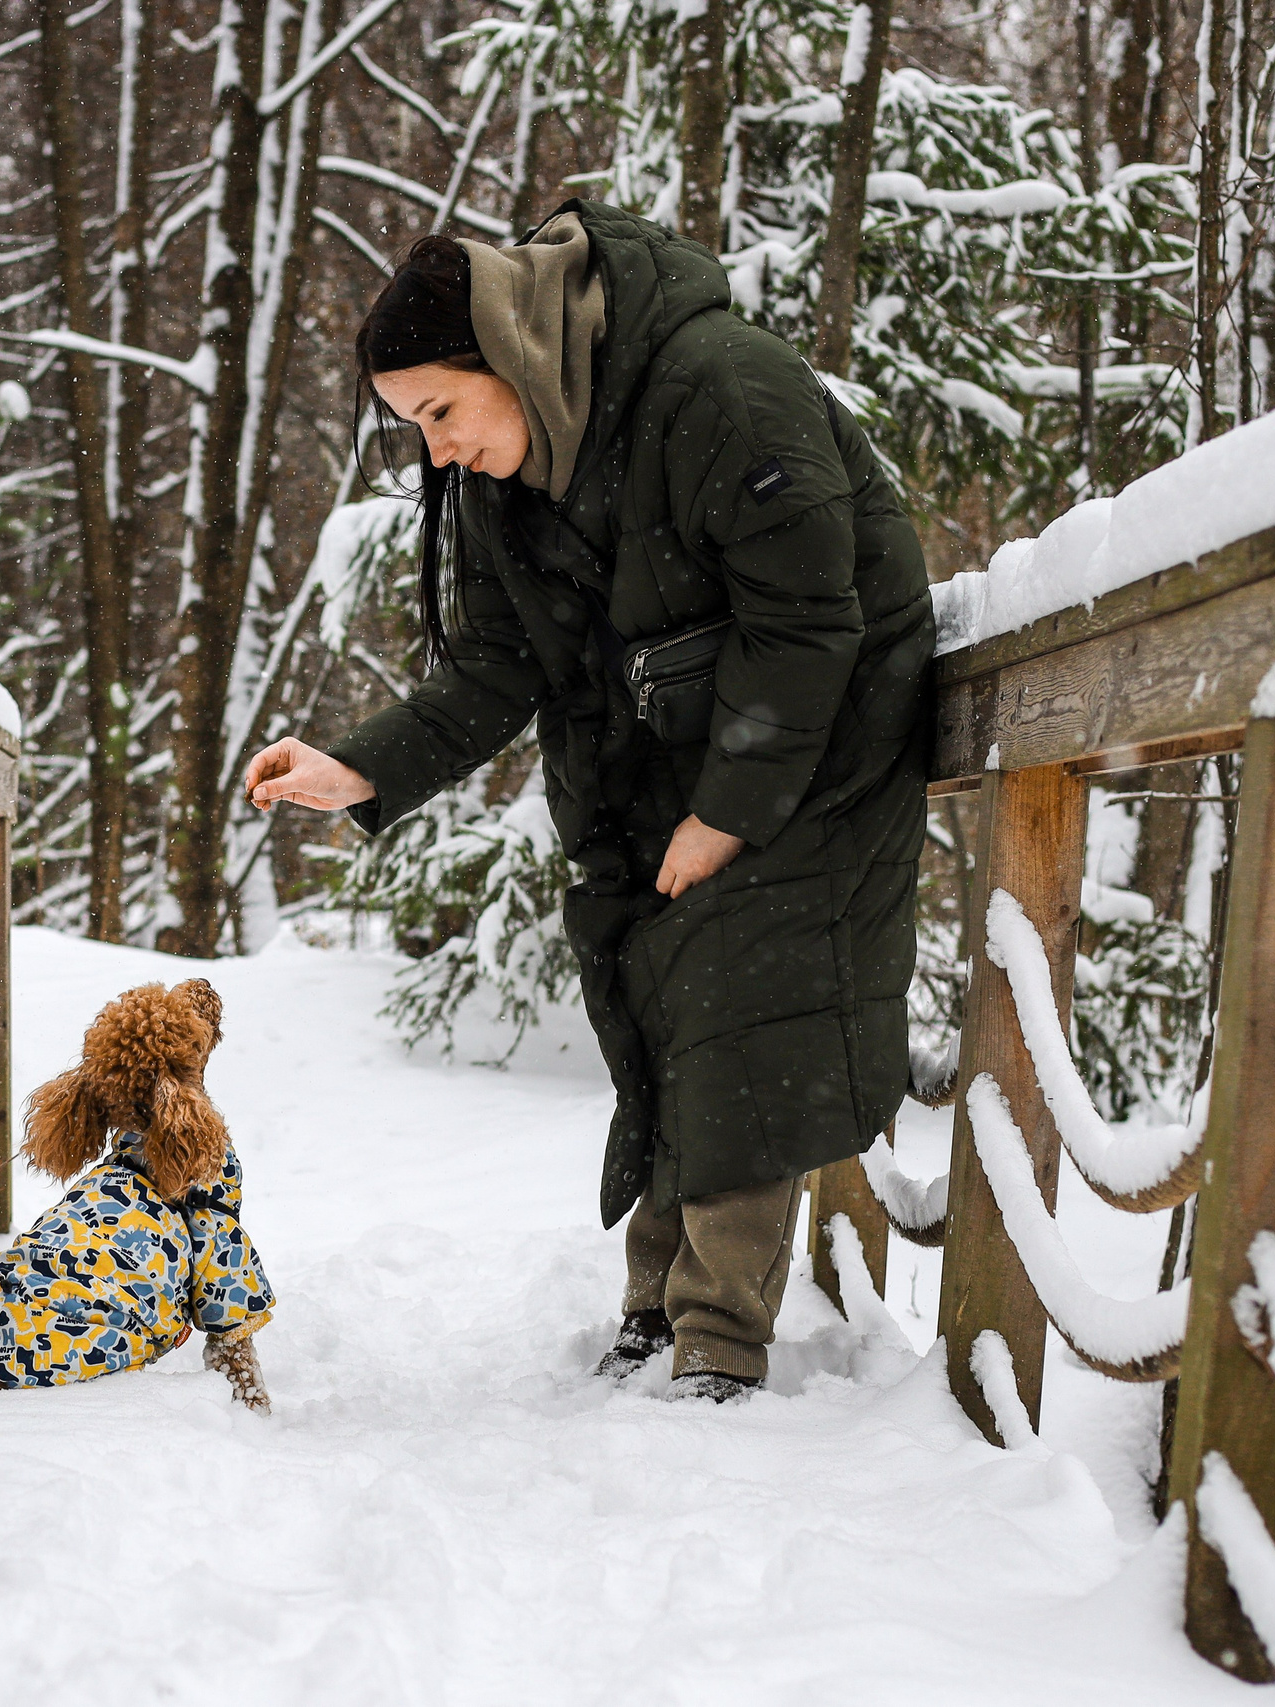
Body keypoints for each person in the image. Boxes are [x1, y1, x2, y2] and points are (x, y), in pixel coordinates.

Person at [242, 202, 933, 1401]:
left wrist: (726, 813)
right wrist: (361, 767)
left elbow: (812, 615)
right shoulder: (510, 482)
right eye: (413, 429)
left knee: (738, 1004)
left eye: (441, 412)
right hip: (672, 751)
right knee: (657, 994)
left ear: (509, 356)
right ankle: (659, 1309)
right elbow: (492, 665)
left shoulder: (722, 383)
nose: (436, 449)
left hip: (824, 735)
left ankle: (719, 1340)